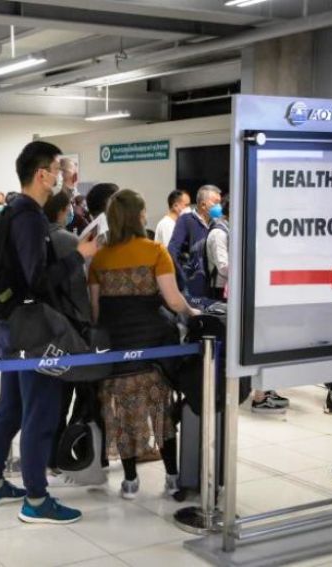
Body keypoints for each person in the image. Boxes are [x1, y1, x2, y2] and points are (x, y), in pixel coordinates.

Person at [0, 141, 99, 524]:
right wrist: (78, 256)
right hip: (33, 329)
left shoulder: (12, 211)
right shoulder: (29, 218)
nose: (60, 175)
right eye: (56, 169)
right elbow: (36, 280)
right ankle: (35, 498)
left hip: (11, 325)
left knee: (12, 406)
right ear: (41, 173)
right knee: (41, 412)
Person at [89, 188, 199, 500]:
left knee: (123, 415)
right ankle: (173, 478)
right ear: (139, 216)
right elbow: (174, 301)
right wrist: (195, 313)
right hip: (154, 348)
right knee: (160, 412)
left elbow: (95, 312)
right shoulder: (154, 251)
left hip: (117, 349)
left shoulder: (100, 257)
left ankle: (130, 482)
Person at [41, 191, 101, 481]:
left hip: (42, 325)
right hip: (70, 326)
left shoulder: (36, 238)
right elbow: (78, 287)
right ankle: (61, 454)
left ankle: (46, 455)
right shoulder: (65, 240)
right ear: (63, 211)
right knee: (69, 394)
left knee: (49, 397)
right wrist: (89, 320)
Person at [167, 185, 221, 297]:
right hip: (195, 286)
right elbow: (172, 250)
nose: (219, 207)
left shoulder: (218, 223)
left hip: (217, 285)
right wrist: (182, 277)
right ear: (203, 204)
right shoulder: (186, 220)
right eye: (216, 203)